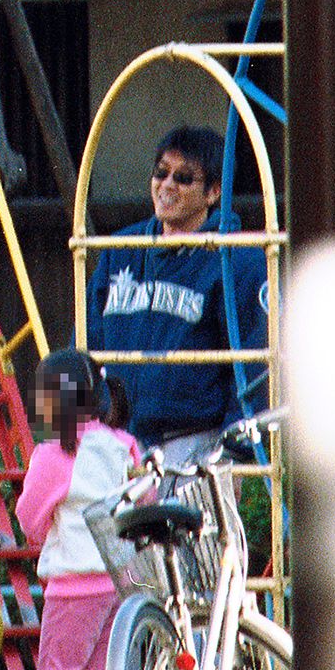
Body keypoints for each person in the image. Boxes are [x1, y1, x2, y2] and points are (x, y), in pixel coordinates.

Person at [86, 125, 269, 463]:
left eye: (184, 179)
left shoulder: (238, 258)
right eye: (161, 173)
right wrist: (57, 438)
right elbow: (83, 342)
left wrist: (234, 454)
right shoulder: (120, 248)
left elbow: (256, 360)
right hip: (116, 443)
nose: (167, 185)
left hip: (195, 445)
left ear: (213, 192)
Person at [15, 349, 140, 670]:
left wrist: (45, 526)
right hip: (118, 577)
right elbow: (141, 495)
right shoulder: (122, 442)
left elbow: (29, 517)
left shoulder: (55, 453)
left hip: (73, 582)